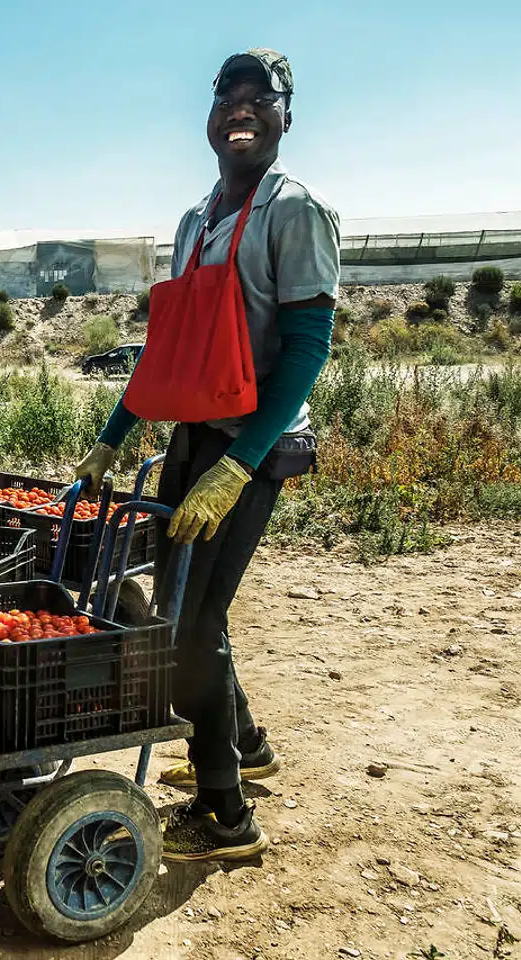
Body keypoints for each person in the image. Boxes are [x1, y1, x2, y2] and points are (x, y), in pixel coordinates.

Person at [74, 49, 339, 862]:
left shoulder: (296, 211)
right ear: (211, 116)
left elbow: (307, 347)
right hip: (194, 436)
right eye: (229, 98)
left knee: (191, 625)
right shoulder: (195, 222)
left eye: (261, 99)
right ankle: (246, 744)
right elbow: (171, 348)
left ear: (286, 115)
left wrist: (239, 464)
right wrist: (111, 439)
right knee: (187, 614)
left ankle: (226, 815)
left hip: (253, 449)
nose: (243, 111)